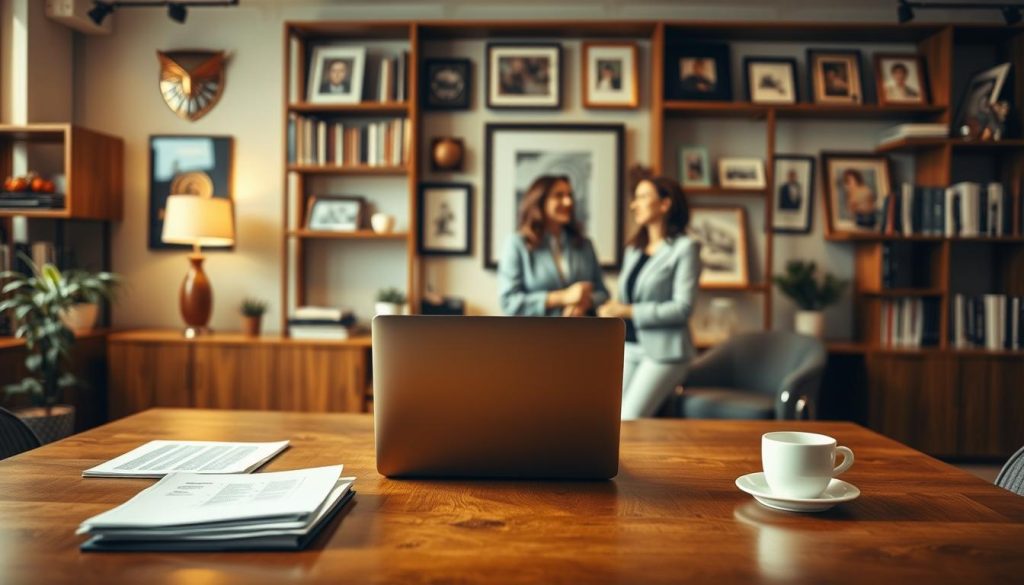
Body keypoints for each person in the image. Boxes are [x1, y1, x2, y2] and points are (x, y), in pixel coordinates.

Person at [597, 175, 701, 420]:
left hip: (666, 352)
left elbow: (683, 308)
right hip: (629, 347)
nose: (635, 205)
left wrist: (628, 311)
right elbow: (625, 298)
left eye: (643, 197)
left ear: (665, 204)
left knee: (629, 418)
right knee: (606, 415)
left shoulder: (685, 248)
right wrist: (611, 309)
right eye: (635, 199)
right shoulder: (633, 250)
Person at [498, 175, 609, 317]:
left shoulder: (584, 245)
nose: (568, 202)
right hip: (534, 336)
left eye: (570, 195)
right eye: (559, 196)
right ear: (540, 201)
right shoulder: (517, 244)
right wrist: (562, 297)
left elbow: (603, 294)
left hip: (580, 335)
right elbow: (509, 302)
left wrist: (585, 303)